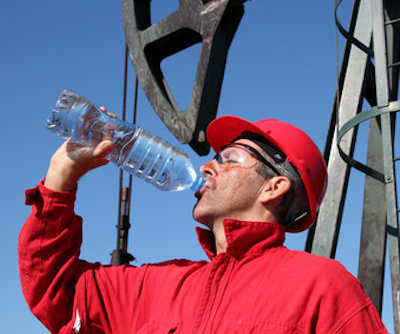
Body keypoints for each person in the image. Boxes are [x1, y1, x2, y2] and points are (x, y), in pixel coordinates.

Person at [19, 115, 388, 333]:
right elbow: (57, 293)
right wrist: (61, 177)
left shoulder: (321, 287)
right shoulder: (159, 286)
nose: (208, 166)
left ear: (274, 187)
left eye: (228, 158)